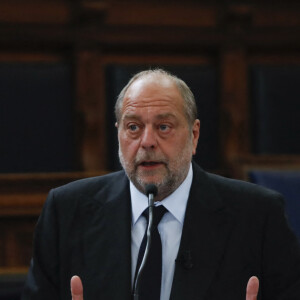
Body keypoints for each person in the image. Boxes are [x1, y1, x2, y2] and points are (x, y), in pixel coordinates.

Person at [22, 69, 300, 300]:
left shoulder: (257, 215)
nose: (147, 142)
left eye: (164, 126)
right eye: (133, 127)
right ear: (118, 133)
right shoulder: (66, 211)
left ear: (194, 136)